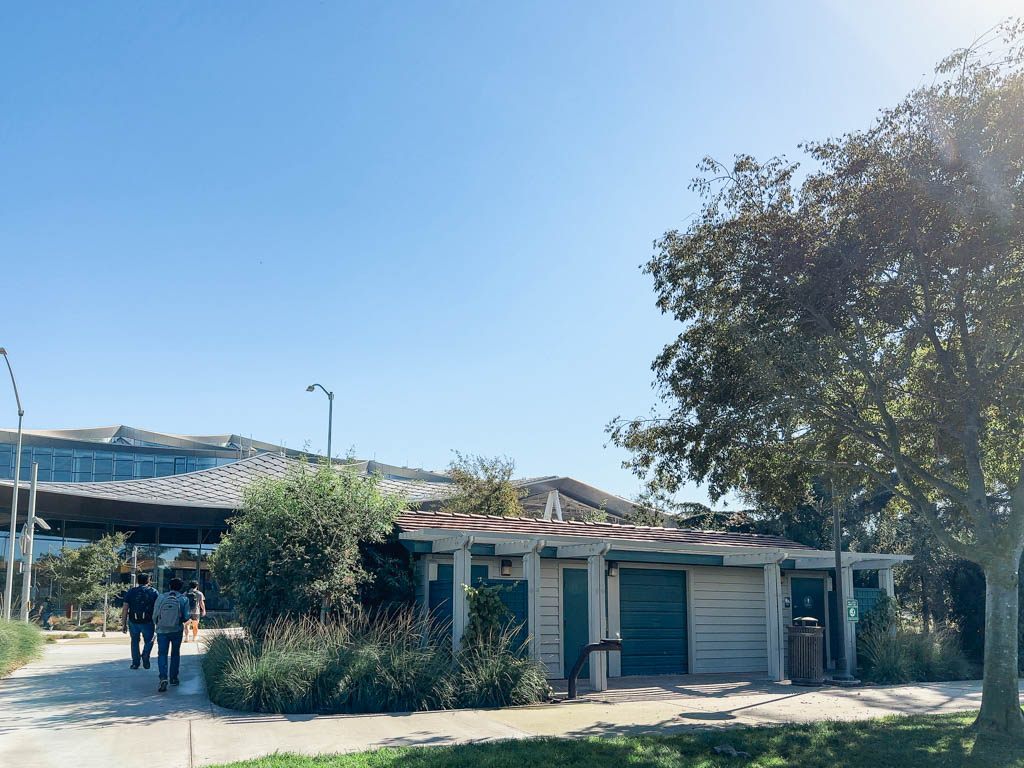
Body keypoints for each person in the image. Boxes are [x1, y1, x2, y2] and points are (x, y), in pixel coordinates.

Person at [152, 577, 189, 692]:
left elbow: (155, 614)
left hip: (162, 630)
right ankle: (173, 678)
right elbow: (186, 616)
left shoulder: (161, 597)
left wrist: (158, 624)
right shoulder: (183, 599)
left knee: (162, 654)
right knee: (175, 653)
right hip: (176, 630)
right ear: (181, 587)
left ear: (169, 586)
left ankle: (163, 677)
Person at [120, 573, 159, 670]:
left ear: (137, 581)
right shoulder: (153, 592)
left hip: (133, 620)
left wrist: (123, 623)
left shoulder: (131, 591)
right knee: (149, 640)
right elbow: (158, 608)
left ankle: (135, 663)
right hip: (148, 620)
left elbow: (125, 608)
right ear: (148, 581)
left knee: (134, 641)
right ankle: (146, 654)